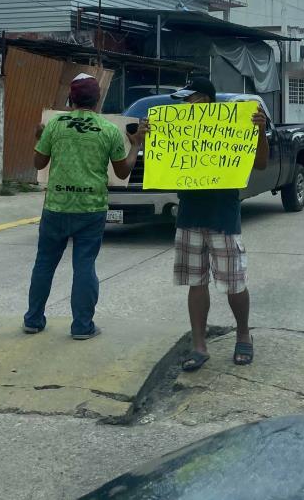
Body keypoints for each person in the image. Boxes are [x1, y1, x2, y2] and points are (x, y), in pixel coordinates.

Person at [24, 73, 145, 339]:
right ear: (98, 99)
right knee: (84, 266)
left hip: (56, 206)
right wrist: (135, 145)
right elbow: (123, 173)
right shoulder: (109, 130)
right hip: (91, 209)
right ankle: (81, 326)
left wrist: (38, 138)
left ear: (71, 98)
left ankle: (33, 320)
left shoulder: (55, 125)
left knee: (44, 263)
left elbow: (38, 164)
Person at [168, 77, 268, 372]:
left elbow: (260, 163)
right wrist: (149, 136)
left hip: (223, 217)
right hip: (189, 214)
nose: (187, 104)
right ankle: (199, 345)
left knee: (233, 282)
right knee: (196, 282)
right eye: (185, 100)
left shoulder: (231, 126)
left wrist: (259, 130)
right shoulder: (180, 129)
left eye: (192, 98)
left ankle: (243, 334)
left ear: (207, 100)